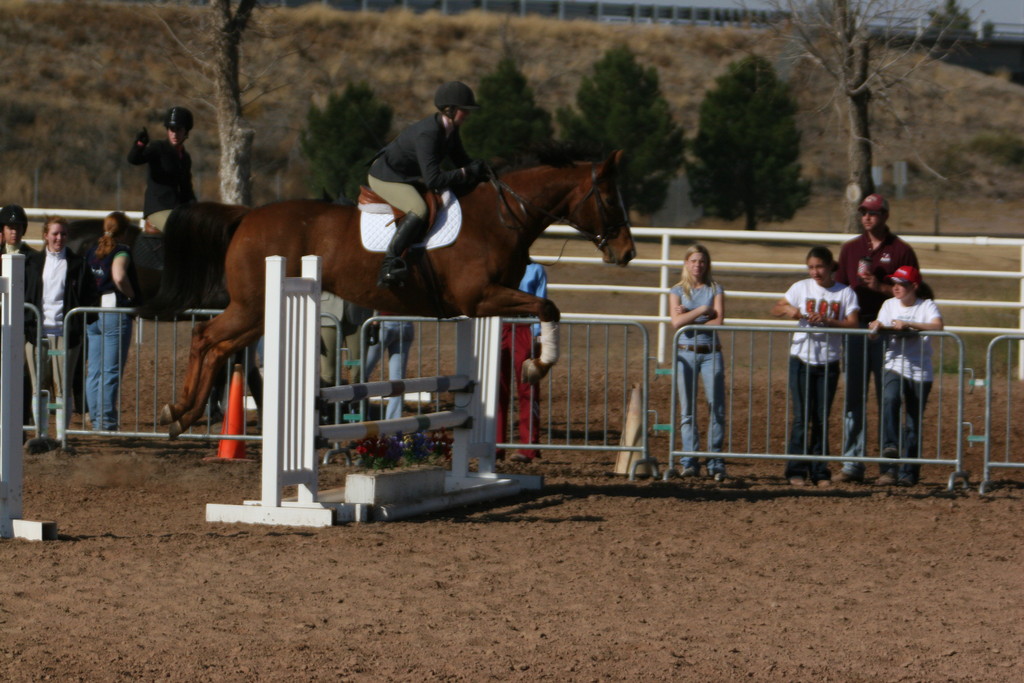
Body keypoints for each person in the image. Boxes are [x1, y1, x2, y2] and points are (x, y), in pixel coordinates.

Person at [367, 81, 488, 289]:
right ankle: (389, 263)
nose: (467, 114)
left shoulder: (449, 129)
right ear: (449, 110)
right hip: (385, 177)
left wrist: (484, 171)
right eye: (464, 110)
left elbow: (461, 160)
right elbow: (433, 180)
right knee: (419, 209)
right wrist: (466, 172)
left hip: (405, 176)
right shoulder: (429, 134)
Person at [834, 193, 919, 482]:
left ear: (885, 215)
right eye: (863, 213)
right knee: (854, 398)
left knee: (888, 398)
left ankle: (888, 465)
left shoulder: (901, 251)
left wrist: (881, 287)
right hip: (857, 331)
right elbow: (840, 289)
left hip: (888, 334)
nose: (867, 217)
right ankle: (852, 463)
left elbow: (918, 292)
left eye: (873, 212)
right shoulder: (850, 250)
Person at [771, 246, 860, 487]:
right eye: (811, 267)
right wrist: (790, 310)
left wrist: (828, 320)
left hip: (828, 360)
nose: (815, 272)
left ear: (831, 266)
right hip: (801, 358)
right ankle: (795, 470)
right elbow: (776, 308)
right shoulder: (801, 288)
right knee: (802, 417)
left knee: (821, 418)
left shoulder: (844, 293)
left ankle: (820, 471)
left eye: (819, 266)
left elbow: (853, 323)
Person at [867, 266, 943, 486]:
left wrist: (909, 324)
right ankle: (890, 448)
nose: (896, 288)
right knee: (890, 399)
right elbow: (876, 332)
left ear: (914, 286)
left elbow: (937, 326)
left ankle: (909, 472)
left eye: (901, 284)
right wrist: (876, 328)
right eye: (894, 284)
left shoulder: (926, 306)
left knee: (912, 422)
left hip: (920, 371)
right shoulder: (888, 305)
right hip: (895, 364)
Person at [24, 216, 98, 427]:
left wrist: (80, 324)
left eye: (63, 234)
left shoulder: (78, 265)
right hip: (37, 334)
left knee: (62, 387)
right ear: (46, 235)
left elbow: (90, 297)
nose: (59, 238)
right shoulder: (33, 264)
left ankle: (60, 436)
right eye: (55, 233)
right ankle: (41, 433)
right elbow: (27, 295)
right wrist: (29, 323)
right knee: (40, 387)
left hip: (66, 335)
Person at [670, 244, 727, 481]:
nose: (697, 265)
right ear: (686, 263)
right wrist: (703, 310)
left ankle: (715, 460)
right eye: (693, 261)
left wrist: (689, 316)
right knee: (687, 410)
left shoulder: (715, 288)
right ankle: (689, 460)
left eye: (702, 261)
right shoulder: (676, 291)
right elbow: (675, 322)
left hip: (710, 352)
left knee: (717, 408)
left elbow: (718, 322)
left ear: (707, 264)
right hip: (685, 352)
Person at [84, 212, 141, 431]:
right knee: (111, 370)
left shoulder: (92, 252)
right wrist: (131, 296)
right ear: (125, 231)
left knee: (95, 371)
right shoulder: (121, 251)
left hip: (93, 312)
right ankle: (106, 421)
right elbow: (118, 276)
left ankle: (97, 419)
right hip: (114, 312)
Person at [127, 105, 197, 268]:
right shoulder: (158, 148)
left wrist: (197, 207)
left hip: (177, 209)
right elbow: (134, 160)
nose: (174, 133)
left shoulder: (185, 157)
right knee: (180, 232)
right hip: (157, 208)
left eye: (178, 129)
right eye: (171, 129)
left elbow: (187, 188)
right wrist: (139, 145)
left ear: (186, 131)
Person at [497, 261, 547, 464]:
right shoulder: (496, 264)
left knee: (528, 388)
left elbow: (541, 300)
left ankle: (528, 446)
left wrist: (537, 334)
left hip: (525, 327)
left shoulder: (535, 269)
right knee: (496, 388)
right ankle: (495, 445)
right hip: (498, 325)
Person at [0, 204, 36, 433]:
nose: (15, 231)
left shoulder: (33, 257)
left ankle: (21, 425)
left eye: (18, 227)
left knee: (21, 375)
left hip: (22, 325)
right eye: (10, 227)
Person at [360, 314, 415, 421]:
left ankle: (357, 416)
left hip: (383, 322)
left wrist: (374, 322)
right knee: (398, 380)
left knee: (360, 373)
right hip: (406, 323)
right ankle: (393, 424)